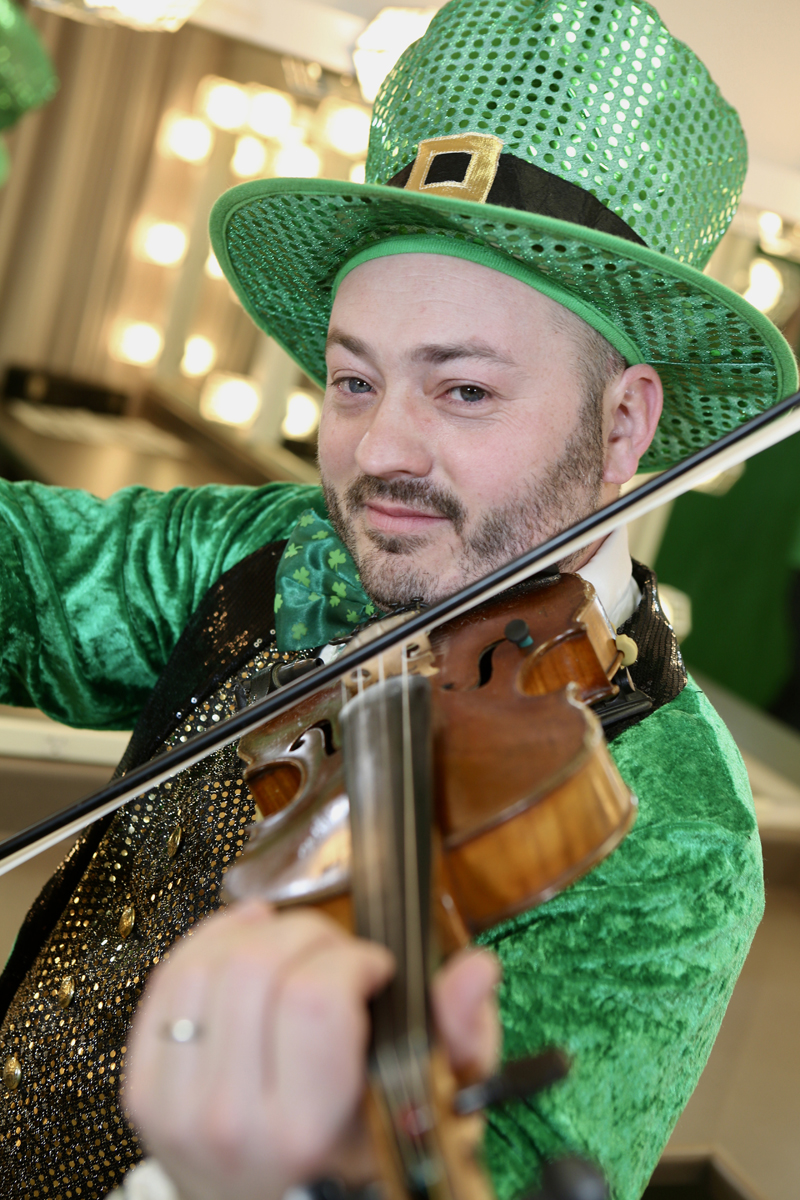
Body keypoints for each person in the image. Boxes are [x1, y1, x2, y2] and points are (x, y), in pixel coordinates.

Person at [0, 1, 795, 1198]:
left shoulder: (671, 827)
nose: (380, 451)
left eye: (463, 390)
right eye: (353, 378)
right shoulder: (282, 549)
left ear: (624, 422)